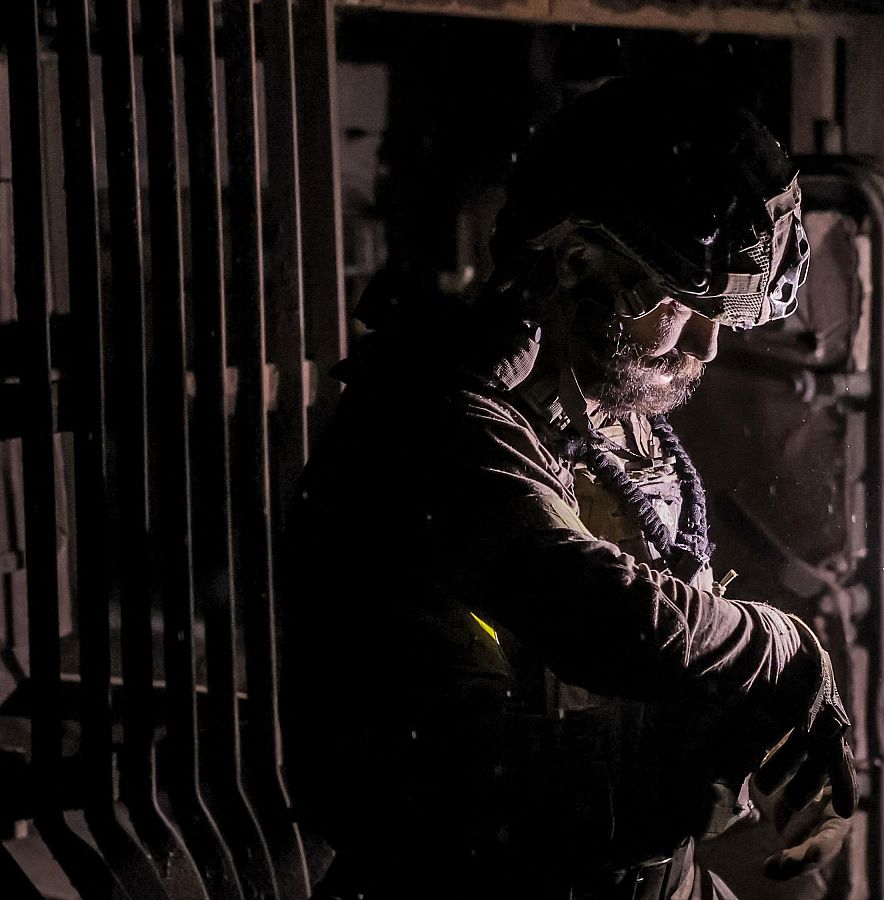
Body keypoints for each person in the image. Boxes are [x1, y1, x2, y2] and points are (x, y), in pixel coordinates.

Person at [282, 77, 854, 900]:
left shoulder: (604, 417)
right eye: (691, 307)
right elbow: (600, 616)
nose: (708, 345)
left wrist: (758, 740)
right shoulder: (430, 416)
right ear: (580, 256)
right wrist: (780, 650)